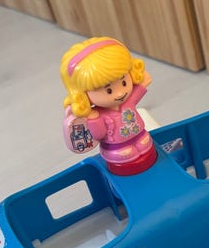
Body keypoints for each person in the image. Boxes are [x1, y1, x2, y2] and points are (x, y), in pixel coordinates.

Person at [60, 37, 157, 175]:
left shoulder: (128, 102)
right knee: (124, 156)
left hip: (140, 136)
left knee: (145, 144)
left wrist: (142, 83)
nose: (120, 93)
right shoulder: (98, 115)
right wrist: (93, 119)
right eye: (109, 90)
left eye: (123, 82)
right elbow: (99, 134)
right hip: (116, 148)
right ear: (82, 93)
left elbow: (137, 92)